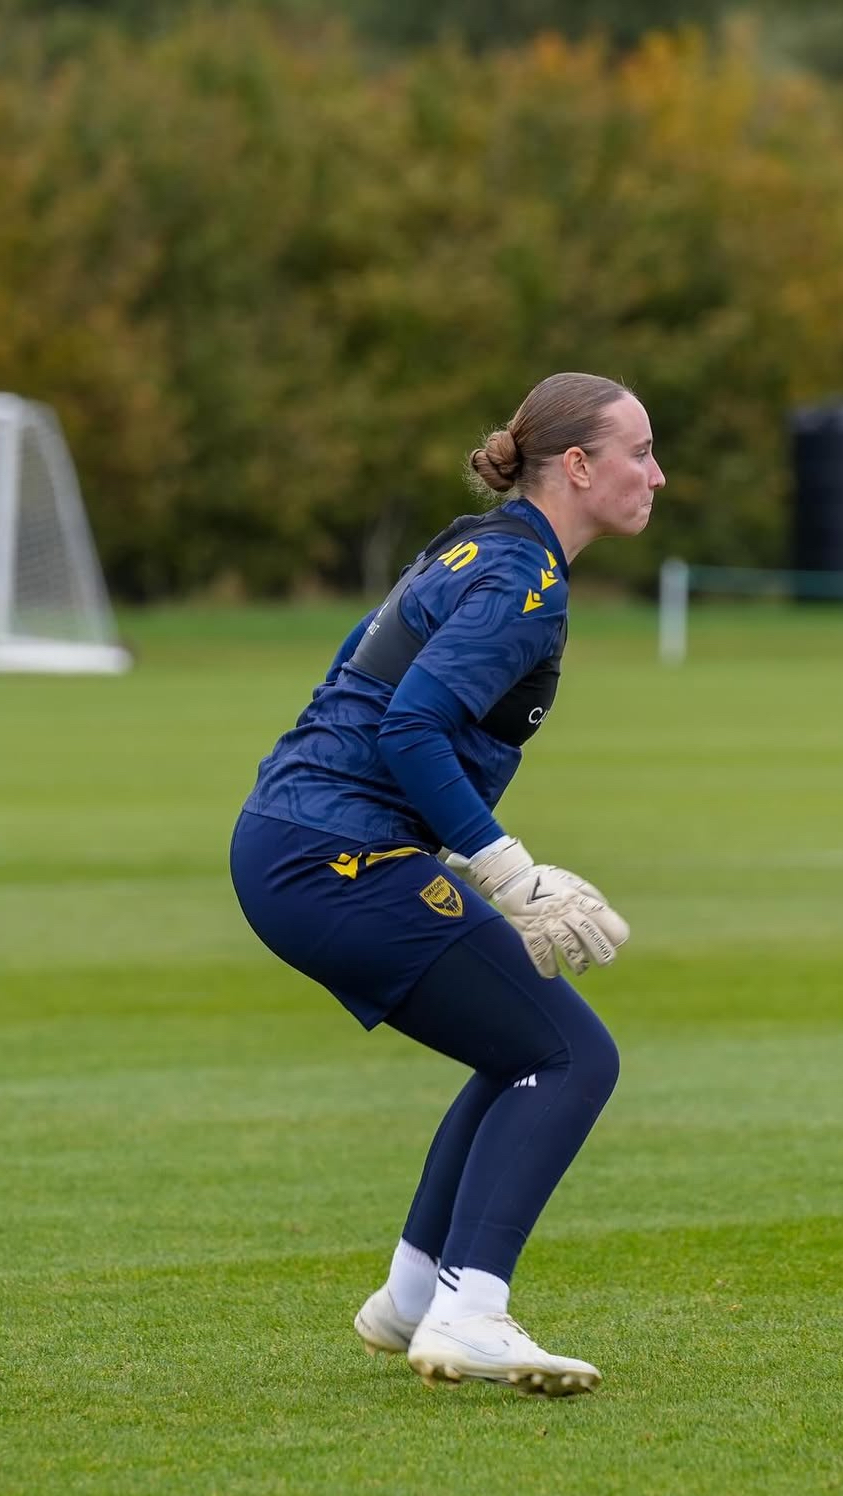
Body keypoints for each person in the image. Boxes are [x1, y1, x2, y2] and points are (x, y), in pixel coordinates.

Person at [230, 371, 665, 1397]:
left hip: (295, 839)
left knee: (517, 1041)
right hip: (333, 855)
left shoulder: (468, 543)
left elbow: (350, 679)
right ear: (579, 466)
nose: (658, 471)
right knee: (570, 1054)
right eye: (640, 451)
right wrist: (511, 870)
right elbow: (409, 724)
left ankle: (416, 1292)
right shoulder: (522, 582)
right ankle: (472, 1311)